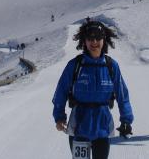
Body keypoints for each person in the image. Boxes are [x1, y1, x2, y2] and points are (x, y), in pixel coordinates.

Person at [52, 19, 134, 158]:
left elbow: (122, 95)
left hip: (102, 127)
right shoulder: (75, 65)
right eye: (90, 38)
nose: (94, 42)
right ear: (84, 41)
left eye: (98, 37)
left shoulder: (111, 66)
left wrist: (126, 120)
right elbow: (61, 92)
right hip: (78, 126)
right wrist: (59, 117)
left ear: (104, 40)